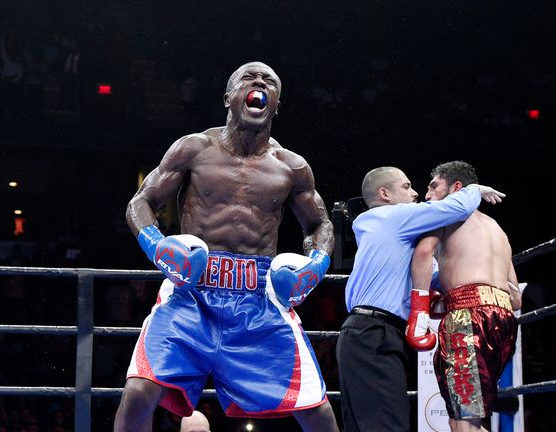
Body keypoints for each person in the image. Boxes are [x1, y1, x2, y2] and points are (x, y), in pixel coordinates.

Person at [115, 61, 338, 432]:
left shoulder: (292, 167)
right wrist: (157, 246)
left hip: (259, 300)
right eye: (249, 78)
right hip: (191, 292)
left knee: (317, 411)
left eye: (269, 80)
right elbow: (141, 202)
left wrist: (316, 263)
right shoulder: (195, 148)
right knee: (139, 391)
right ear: (228, 98)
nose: (259, 82)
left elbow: (321, 223)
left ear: (276, 104)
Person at [336, 166, 505, 432]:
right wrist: (475, 189)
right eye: (406, 187)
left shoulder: (393, 233)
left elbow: (434, 275)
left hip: (368, 334)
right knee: (388, 426)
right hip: (373, 334)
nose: (416, 193)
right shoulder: (394, 216)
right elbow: (454, 208)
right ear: (385, 194)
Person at [409, 161, 521, 432]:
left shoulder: (445, 215)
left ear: (457, 188)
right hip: (503, 321)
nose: (426, 195)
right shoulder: (497, 229)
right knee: (467, 415)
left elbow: (423, 254)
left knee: (463, 421)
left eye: (433, 186)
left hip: (467, 317)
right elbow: (516, 298)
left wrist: (420, 310)